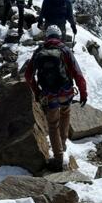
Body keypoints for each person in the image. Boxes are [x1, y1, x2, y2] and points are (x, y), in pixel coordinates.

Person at [24, 25, 88, 171]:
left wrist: (37, 91)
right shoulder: (65, 50)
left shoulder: (39, 51)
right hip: (66, 92)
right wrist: (83, 93)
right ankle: (63, 143)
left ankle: (59, 157)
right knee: (65, 113)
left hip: (49, 94)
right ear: (60, 36)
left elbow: (28, 76)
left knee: (53, 125)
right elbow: (77, 74)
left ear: (47, 36)